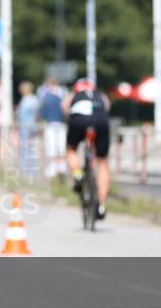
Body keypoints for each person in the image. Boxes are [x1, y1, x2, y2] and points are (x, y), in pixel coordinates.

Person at [62, 78, 111, 220]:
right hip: (100, 120)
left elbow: (65, 109)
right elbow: (107, 108)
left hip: (78, 120)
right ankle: (102, 206)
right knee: (102, 162)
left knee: (71, 149)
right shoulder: (101, 96)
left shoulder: (73, 96)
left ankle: (77, 173)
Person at [38, 77, 67, 178]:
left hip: (51, 123)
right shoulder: (62, 95)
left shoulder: (46, 97)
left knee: (52, 145)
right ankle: (61, 166)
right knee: (61, 145)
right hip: (61, 123)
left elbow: (43, 112)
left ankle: (54, 167)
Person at [15, 81, 40, 177]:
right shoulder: (35, 99)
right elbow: (38, 114)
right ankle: (34, 171)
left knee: (25, 149)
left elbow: (20, 115)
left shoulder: (25, 101)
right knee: (32, 148)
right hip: (33, 126)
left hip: (25, 127)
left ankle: (25, 171)